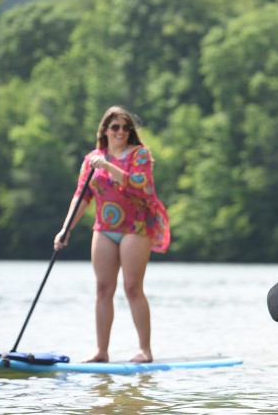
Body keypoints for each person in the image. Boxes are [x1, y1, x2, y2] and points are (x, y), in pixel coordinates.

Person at [54, 106, 170, 363]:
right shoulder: (92, 159)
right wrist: (66, 229)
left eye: (126, 127)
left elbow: (139, 184)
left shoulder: (140, 154)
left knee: (132, 288)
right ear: (104, 130)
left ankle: (145, 350)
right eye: (115, 127)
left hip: (136, 228)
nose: (120, 132)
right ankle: (101, 351)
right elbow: (82, 196)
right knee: (103, 289)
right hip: (104, 229)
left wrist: (106, 165)